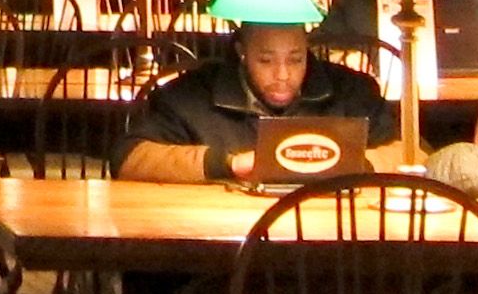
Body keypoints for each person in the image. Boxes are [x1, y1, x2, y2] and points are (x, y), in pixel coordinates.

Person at [115, 23, 395, 181]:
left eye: (296, 59)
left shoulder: (351, 91)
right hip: (226, 253)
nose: (283, 74)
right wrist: (226, 164)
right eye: (266, 60)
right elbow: (128, 158)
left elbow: (413, 153)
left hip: (332, 251)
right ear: (242, 53)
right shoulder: (189, 96)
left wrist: (353, 162)